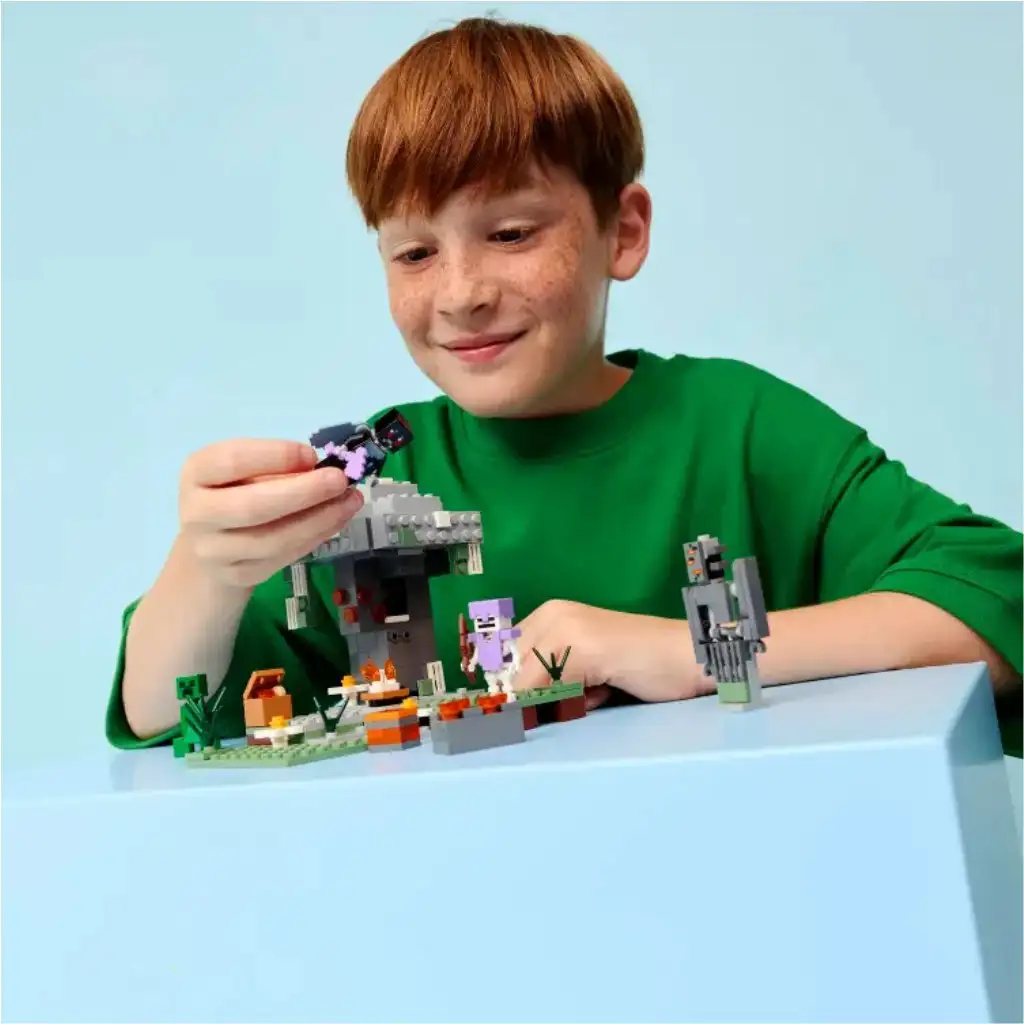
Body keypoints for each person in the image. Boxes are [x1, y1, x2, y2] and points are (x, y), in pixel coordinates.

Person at [107, 16, 1022, 756]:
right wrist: (205, 569)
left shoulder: (740, 427)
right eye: (414, 252)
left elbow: (994, 606)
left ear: (623, 232)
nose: (460, 294)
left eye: (511, 234)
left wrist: (694, 650)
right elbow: (163, 711)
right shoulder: (377, 482)